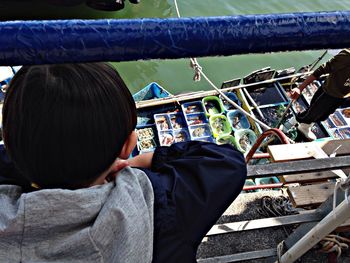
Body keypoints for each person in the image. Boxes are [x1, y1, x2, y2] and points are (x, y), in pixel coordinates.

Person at [0, 63, 246, 262]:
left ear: (9, 142)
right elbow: (229, 162)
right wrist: (146, 161)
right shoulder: (155, 202)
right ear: (129, 146)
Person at [290, 49, 350, 140]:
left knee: (324, 115)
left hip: (343, 96)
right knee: (313, 113)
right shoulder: (347, 56)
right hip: (329, 92)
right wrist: (300, 87)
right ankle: (299, 125)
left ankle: (303, 123)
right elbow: (322, 69)